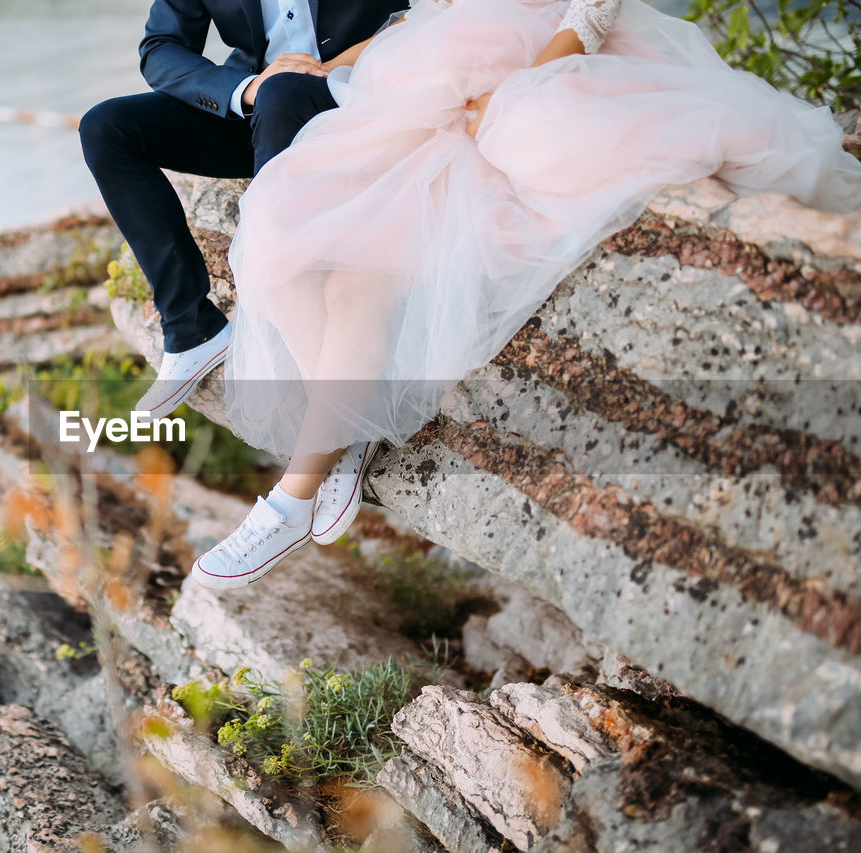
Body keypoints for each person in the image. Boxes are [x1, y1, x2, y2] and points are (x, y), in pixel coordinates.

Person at [189, 0, 861, 589]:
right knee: (283, 229)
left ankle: (290, 498)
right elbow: (435, 10)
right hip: (433, 73)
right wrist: (347, 62)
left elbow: (592, 9)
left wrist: (515, 92)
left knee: (360, 282)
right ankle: (341, 429)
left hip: (547, 77)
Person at [78, 0, 409, 421]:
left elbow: (422, 17)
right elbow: (160, 46)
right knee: (105, 128)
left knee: (281, 94)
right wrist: (245, 89)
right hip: (259, 105)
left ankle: (330, 387)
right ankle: (192, 329)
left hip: (357, 95)